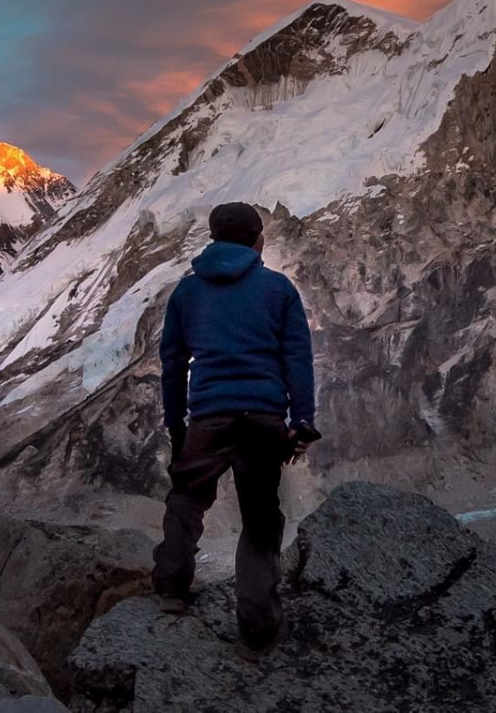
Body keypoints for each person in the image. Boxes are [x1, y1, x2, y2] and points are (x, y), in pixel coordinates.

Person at [152, 201, 320, 658]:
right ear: (258, 241)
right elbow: (297, 358)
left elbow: (172, 363)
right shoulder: (277, 288)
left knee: (186, 499)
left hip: (208, 416)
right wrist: (301, 420)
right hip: (263, 419)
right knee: (261, 521)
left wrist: (176, 424)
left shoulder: (187, 293)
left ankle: (171, 589)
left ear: (213, 239)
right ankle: (257, 632)